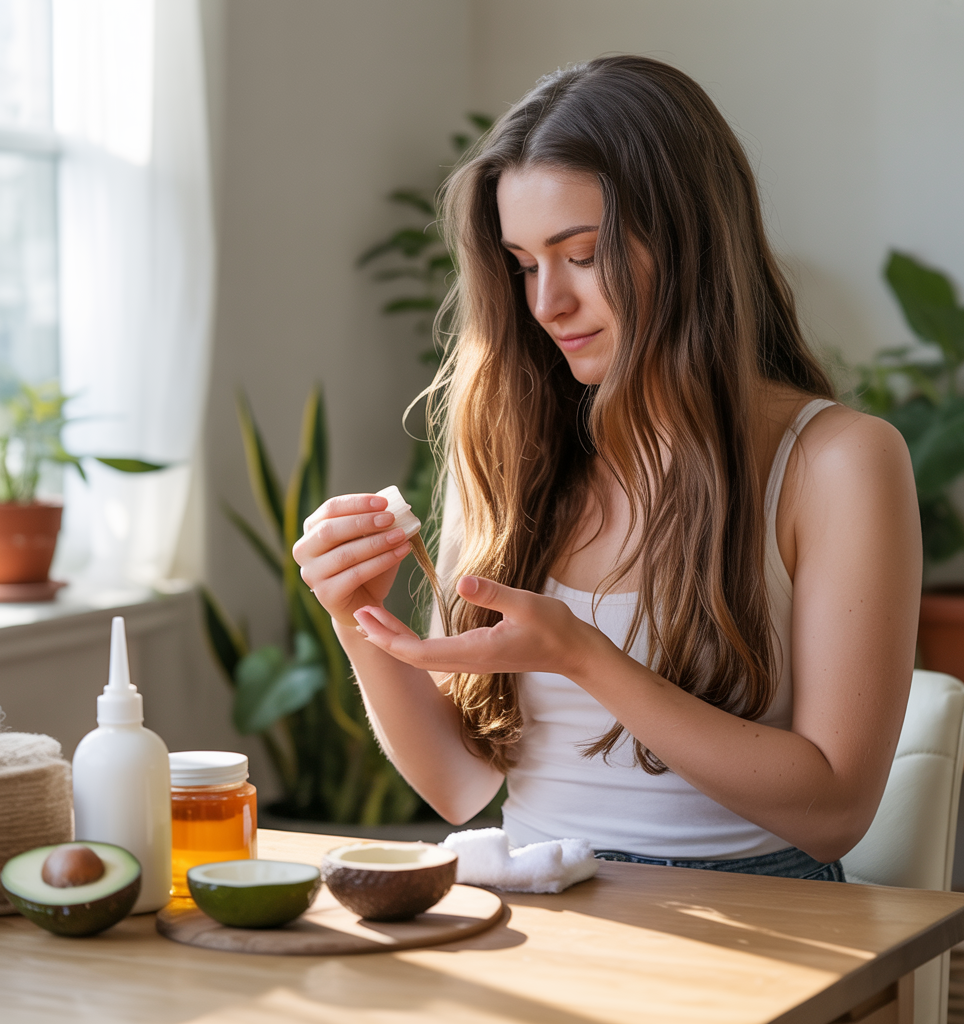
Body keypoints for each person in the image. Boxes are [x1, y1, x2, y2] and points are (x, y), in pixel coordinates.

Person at [293, 56, 921, 881]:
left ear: (691, 244)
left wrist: (584, 656)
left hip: (755, 907)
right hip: (532, 892)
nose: (545, 303)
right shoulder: (513, 448)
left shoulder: (837, 462)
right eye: (524, 265)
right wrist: (357, 614)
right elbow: (459, 783)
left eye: (583, 255)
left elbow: (835, 813)